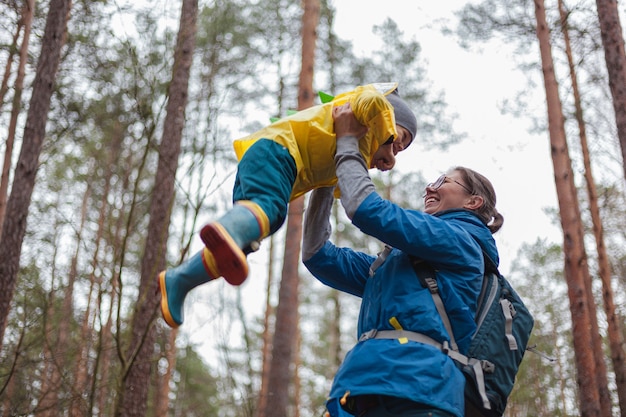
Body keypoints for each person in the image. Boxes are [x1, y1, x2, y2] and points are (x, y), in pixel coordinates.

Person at [158, 83, 418, 328]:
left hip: (269, 167)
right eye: (399, 139)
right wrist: (386, 143)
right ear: (388, 118)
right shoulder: (361, 109)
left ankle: (181, 280)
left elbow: (344, 189)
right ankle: (230, 230)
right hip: (277, 152)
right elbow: (371, 100)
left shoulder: (349, 148)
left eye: (402, 150)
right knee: (270, 210)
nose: (396, 150)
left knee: (251, 237)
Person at [301, 103, 503, 417]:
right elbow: (317, 255)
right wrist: (326, 180)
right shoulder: (396, 265)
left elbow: (367, 210)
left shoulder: (460, 241)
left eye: (442, 181)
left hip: (420, 390)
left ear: (473, 201)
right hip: (367, 388)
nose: (429, 186)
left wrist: (347, 144)